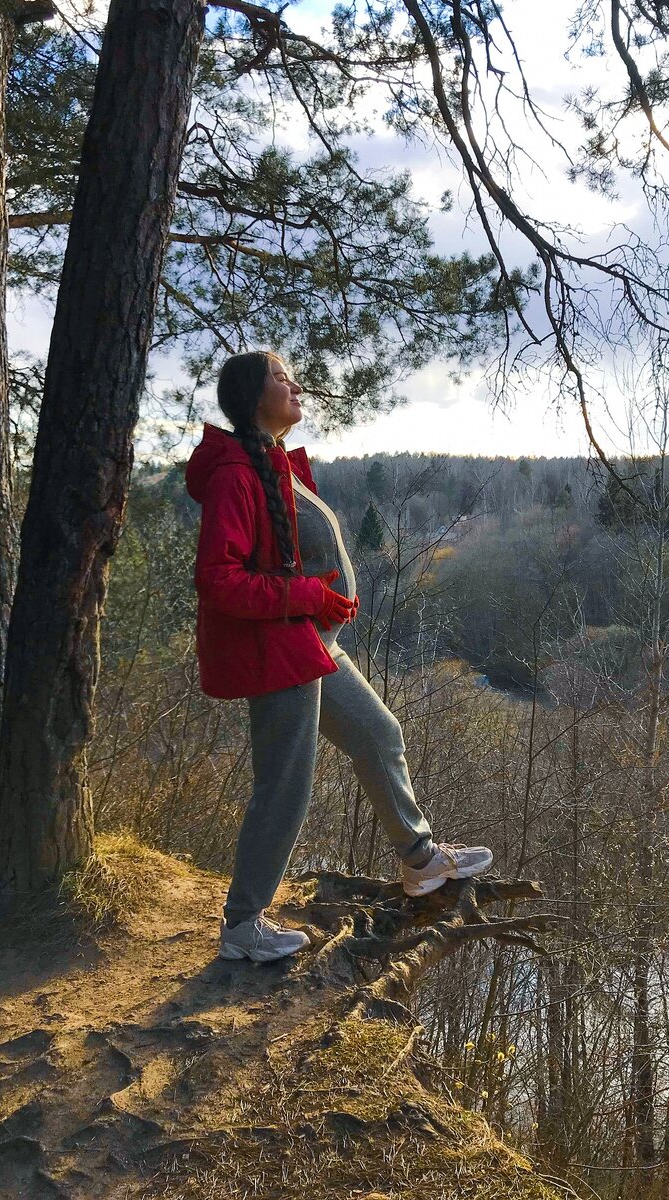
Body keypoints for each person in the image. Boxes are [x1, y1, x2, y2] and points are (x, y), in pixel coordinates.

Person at [184, 350, 494, 963]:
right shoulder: (236, 475)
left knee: (379, 733)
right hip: (278, 651)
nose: (295, 384)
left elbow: (283, 558)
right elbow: (218, 579)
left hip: (307, 641)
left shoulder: (274, 464)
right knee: (286, 787)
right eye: (280, 377)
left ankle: (422, 863)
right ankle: (243, 926)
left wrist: (319, 599)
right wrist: (306, 595)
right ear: (252, 396)